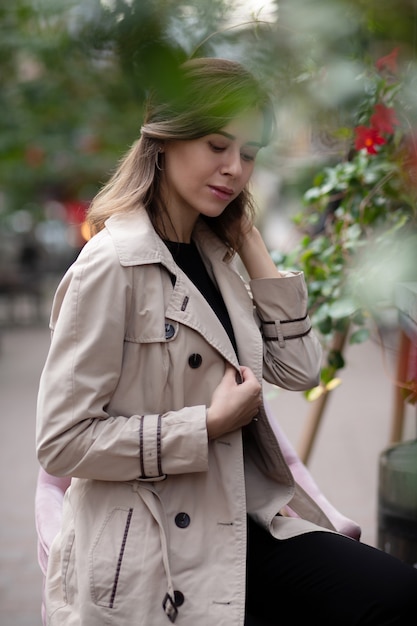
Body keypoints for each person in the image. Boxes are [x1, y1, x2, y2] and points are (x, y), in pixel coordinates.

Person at [36, 57, 417, 626]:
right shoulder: (111, 265)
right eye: (217, 146)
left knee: (395, 592)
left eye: (250, 154)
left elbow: (303, 370)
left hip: (239, 522)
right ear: (164, 140)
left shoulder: (220, 257)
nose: (235, 168)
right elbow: (61, 442)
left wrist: (252, 245)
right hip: (154, 549)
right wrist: (204, 425)